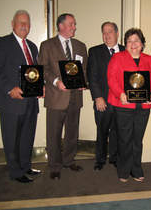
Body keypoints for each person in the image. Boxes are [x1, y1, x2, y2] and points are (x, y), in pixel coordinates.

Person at [0, 10, 41, 183]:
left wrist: (41, 87)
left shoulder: (32, 46)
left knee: (27, 136)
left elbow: (34, 74)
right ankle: (15, 172)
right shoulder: (3, 42)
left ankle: (26, 166)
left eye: (27, 23)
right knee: (11, 138)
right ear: (13, 24)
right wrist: (9, 88)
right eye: (21, 22)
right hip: (11, 102)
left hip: (31, 102)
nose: (24, 26)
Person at [38, 13, 87, 180]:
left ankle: (68, 160)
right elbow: (42, 69)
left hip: (75, 97)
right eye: (71, 24)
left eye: (74, 24)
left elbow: (84, 70)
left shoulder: (81, 46)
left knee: (72, 132)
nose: (74, 27)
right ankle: (55, 166)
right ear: (61, 26)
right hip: (56, 96)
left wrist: (83, 81)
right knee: (54, 133)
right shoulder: (47, 45)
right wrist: (56, 81)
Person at [107, 28, 151, 182]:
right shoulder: (117, 58)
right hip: (123, 105)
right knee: (124, 139)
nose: (133, 44)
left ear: (142, 44)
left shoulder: (149, 60)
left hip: (142, 106)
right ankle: (123, 170)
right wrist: (121, 94)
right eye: (129, 41)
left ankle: (136, 169)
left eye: (136, 40)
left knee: (137, 138)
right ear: (125, 44)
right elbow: (111, 79)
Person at [88, 22, 125, 170]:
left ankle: (115, 158)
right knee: (102, 131)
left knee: (117, 130)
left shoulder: (125, 50)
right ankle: (100, 160)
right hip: (102, 100)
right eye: (104, 32)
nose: (107, 35)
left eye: (110, 31)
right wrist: (97, 97)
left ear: (117, 33)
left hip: (121, 101)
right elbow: (92, 76)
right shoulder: (95, 51)